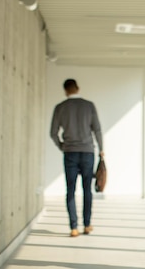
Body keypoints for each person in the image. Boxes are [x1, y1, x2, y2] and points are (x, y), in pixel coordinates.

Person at [50, 78, 104, 237]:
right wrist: (101, 149)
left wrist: (63, 146)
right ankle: (87, 225)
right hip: (88, 152)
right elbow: (97, 130)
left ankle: (73, 227)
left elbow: (53, 133)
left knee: (70, 190)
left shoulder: (60, 108)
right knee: (87, 189)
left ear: (65, 91)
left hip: (70, 153)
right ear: (77, 88)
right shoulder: (89, 105)